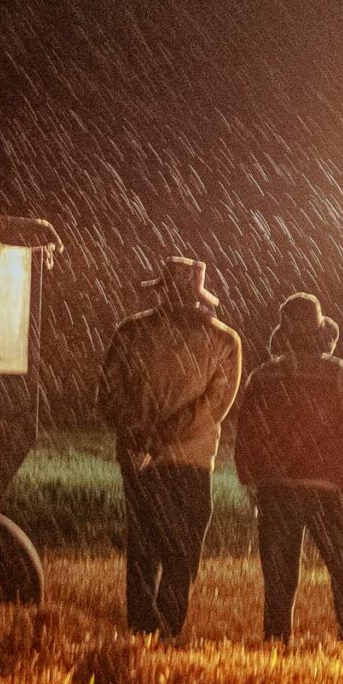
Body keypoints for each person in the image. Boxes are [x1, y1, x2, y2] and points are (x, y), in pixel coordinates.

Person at [98, 256, 242, 638]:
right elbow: (214, 409)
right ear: (199, 296)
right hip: (191, 464)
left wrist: (142, 434)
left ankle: (141, 629)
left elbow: (106, 397)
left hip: (138, 461)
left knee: (142, 551)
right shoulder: (225, 341)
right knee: (182, 552)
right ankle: (169, 628)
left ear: (162, 290)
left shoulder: (130, 332)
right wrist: (167, 435)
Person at [231, 292, 343, 641]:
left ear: (285, 336)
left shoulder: (262, 377)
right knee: (342, 568)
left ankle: (277, 639)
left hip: (276, 489)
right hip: (325, 489)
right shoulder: (337, 373)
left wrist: (252, 478)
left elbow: (246, 431)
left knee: (279, 576)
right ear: (319, 334)